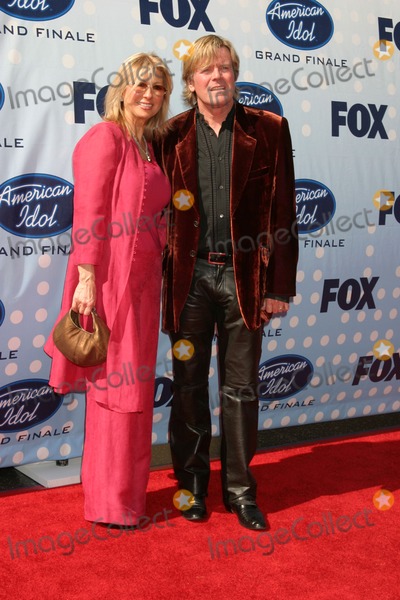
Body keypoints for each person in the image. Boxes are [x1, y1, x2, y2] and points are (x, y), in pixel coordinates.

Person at [154, 35, 298, 530]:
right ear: (190, 83)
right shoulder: (168, 135)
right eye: (205, 71)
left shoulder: (271, 130)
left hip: (244, 284)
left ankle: (240, 491)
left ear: (235, 74)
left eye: (224, 68)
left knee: (241, 388)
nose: (216, 77)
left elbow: (283, 213)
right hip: (188, 284)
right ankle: (191, 486)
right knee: (189, 384)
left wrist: (279, 287)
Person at [45, 53, 172, 526]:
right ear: (122, 88)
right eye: (141, 84)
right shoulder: (106, 137)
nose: (149, 93)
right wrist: (86, 279)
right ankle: (110, 504)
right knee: (116, 393)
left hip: (142, 284)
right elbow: (89, 215)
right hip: (108, 281)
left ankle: (125, 498)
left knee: (133, 391)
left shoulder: (146, 145)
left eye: (159, 87)